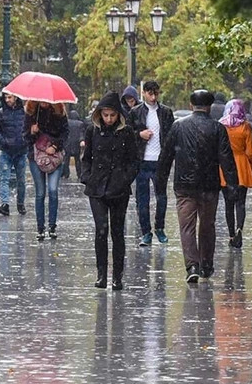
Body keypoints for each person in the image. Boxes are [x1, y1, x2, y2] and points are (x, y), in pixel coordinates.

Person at [155, 89, 239, 284]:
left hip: (184, 185)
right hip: (209, 185)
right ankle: (206, 263)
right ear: (209, 107)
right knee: (207, 225)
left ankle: (192, 265)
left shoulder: (178, 127)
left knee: (187, 226)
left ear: (191, 105)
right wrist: (232, 186)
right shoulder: (218, 129)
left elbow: (166, 157)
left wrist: (161, 182)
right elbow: (226, 159)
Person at [81, 91, 140, 290]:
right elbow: (86, 158)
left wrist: (125, 180)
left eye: (112, 115)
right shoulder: (92, 131)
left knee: (117, 232)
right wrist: (87, 177)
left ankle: (117, 276)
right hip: (96, 187)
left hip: (118, 188)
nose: (108, 119)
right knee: (101, 230)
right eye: (105, 115)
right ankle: (101, 274)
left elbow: (133, 161)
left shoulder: (127, 132)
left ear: (118, 115)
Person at [129, 79, 174, 246]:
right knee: (142, 199)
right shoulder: (135, 112)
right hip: (142, 160)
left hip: (160, 161)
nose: (153, 97)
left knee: (161, 197)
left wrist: (169, 156)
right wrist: (139, 135)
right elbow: (127, 133)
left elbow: (171, 135)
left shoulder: (166, 113)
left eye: (156, 93)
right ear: (144, 93)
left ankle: (160, 228)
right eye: (150, 93)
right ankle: (145, 232)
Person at [24, 100, 69, 241]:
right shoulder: (31, 112)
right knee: (40, 192)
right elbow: (25, 138)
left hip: (55, 157)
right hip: (36, 157)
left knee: (53, 190)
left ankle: (52, 226)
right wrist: (32, 132)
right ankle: (40, 228)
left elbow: (65, 134)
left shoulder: (59, 112)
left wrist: (55, 146)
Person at [219, 98, 252, 248]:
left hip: (225, 167)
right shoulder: (245, 127)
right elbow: (251, 151)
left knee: (228, 203)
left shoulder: (221, 125)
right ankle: (239, 228)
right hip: (242, 166)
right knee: (241, 202)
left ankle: (231, 234)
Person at [0, 92, 28, 216]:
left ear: (16, 97)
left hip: (21, 151)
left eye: (10, 97)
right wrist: (4, 142)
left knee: (21, 180)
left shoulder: (24, 113)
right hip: (6, 150)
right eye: (6, 97)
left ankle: (20, 203)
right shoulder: (1, 113)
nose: (7, 100)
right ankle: (5, 204)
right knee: (5, 178)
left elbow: (28, 130)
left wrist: (24, 141)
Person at [62, 109, 85, 181]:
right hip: (76, 143)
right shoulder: (80, 123)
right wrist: (81, 140)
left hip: (68, 143)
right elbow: (81, 133)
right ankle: (79, 174)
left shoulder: (66, 122)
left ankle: (66, 174)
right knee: (78, 160)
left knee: (66, 160)